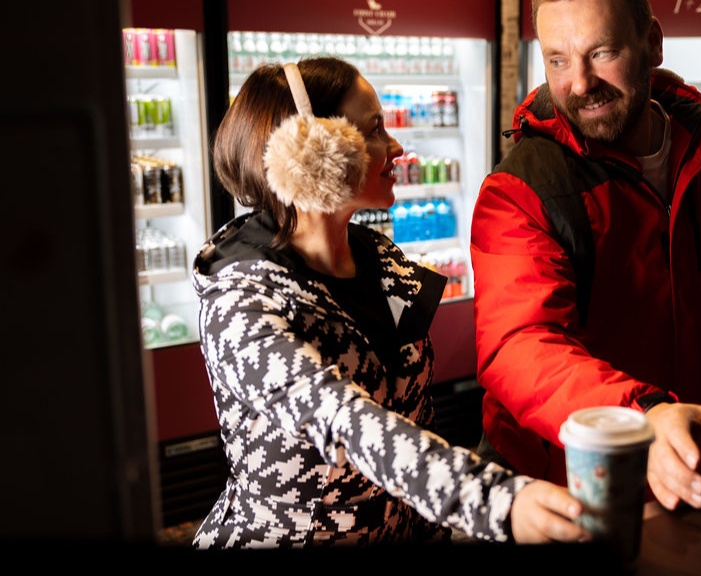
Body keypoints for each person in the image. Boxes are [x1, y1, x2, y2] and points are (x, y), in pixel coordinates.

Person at [190, 56, 591, 549]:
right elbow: (350, 423)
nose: (396, 147)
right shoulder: (241, 299)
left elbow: (415, 420)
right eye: (374, 129)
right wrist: (498, 501)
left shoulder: (379, 258)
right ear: (311, 149)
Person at [470, 0, 701, 513]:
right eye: (558, 60)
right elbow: (519, 345)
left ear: (652, 43)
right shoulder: (523, 187)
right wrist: (638, 415)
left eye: (601, 52)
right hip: (578, 490)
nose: (579, 83)